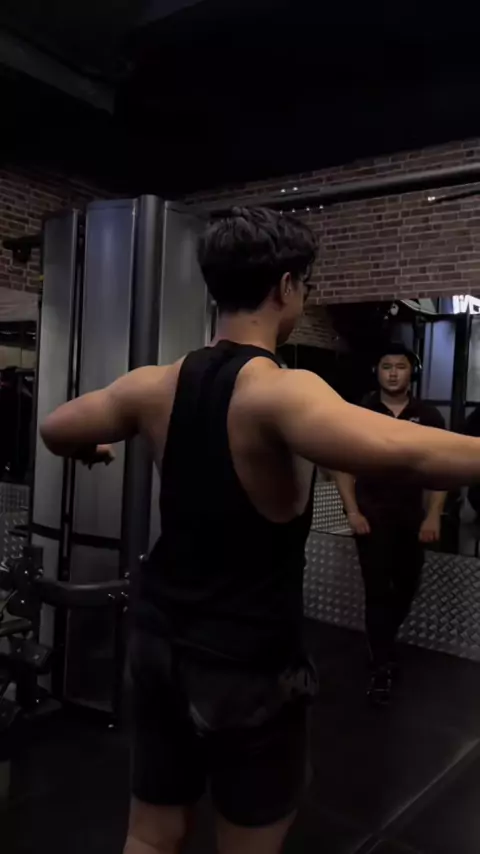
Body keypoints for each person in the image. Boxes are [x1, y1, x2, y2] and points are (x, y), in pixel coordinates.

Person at [41, 207, 480, 854]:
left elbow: (56, 427)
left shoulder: (152, 384)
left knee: (150, 833)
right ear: (286, 286)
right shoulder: (281, 392)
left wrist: (91, 448)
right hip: (246, 662)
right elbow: (409, 455)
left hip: (158, 640)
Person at [334, 344, 447, 706]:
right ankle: (381, 664)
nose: (394, 373)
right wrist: (353, 512)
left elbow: (440, 470)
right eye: (387, 366)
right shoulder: (359, 412)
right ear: (377, 371)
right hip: (372, 518)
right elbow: (343, 464)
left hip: (411, 518)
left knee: (407, 587)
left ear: (411, 372)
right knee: (378, 591)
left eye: (400, 366)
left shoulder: (428, 415)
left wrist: (433, 514)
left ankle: (381, 643)